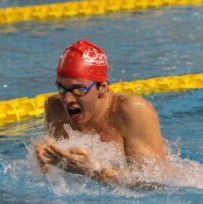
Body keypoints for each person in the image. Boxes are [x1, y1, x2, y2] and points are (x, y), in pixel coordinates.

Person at [35, 40, 173, 185]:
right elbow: (60, 177)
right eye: (62, 88)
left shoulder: (132, 111)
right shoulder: (55, 108)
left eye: (78, 90)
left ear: (102, 87)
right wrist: (46, 163)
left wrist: (96, 171)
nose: (67, 99)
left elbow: (155, 184)